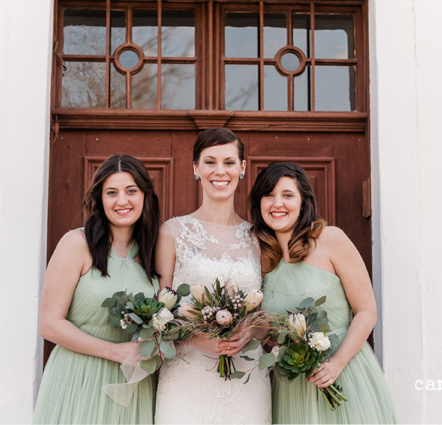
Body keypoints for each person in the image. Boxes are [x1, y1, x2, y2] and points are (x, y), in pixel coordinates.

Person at [249, 162, 397, 424]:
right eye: (268, 195)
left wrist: (336, 364)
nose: (277, 203)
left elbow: (366, 311)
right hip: (293, 385)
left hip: (344, 373)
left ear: (304, 201)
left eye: (287, 195)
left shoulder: (330, 240)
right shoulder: (263, 260)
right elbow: (267, 328)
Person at [154, 128, 272, 424]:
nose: (220, 171)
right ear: (196, 168)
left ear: (243, 168)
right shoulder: (172, 233)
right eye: (210, 162)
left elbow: (268, 312)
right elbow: (158, 314)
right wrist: (194, 339)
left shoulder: (260, 238)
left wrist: (251, 333)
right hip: (187, 377)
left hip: (246, 378)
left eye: (229, 162)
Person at [33, 155, 160, 424]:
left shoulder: (153, 253)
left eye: (131, 191)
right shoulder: (76, 244)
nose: (122, 201)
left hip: (132, 386)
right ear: (100, 199)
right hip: (78, 377)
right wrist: (114, 352)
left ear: (145, 196)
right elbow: (49, 324)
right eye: (111, 192)